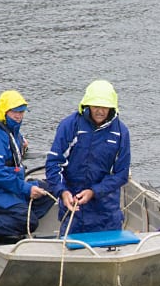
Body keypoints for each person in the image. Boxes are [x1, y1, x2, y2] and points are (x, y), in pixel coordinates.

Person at [45, 80, 131, 234]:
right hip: (73, 207)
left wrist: (94, 191)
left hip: (107, 211)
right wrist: (62, 192)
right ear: (87, 105)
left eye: (105, 107)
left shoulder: (120, 132)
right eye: (96, 106)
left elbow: (121, 174)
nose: (100, 111)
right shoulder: (70, 125)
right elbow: (53, 164)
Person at [0, 90, 54, 244]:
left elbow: (12, 154)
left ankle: (14, 220)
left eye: (21, 112)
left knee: (51, 189)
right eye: (15, 111)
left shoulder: (12, 131)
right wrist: (27, 189)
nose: (19, 115)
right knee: (29, 222)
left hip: (9, 188)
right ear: (4, 111)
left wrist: (22, 148)